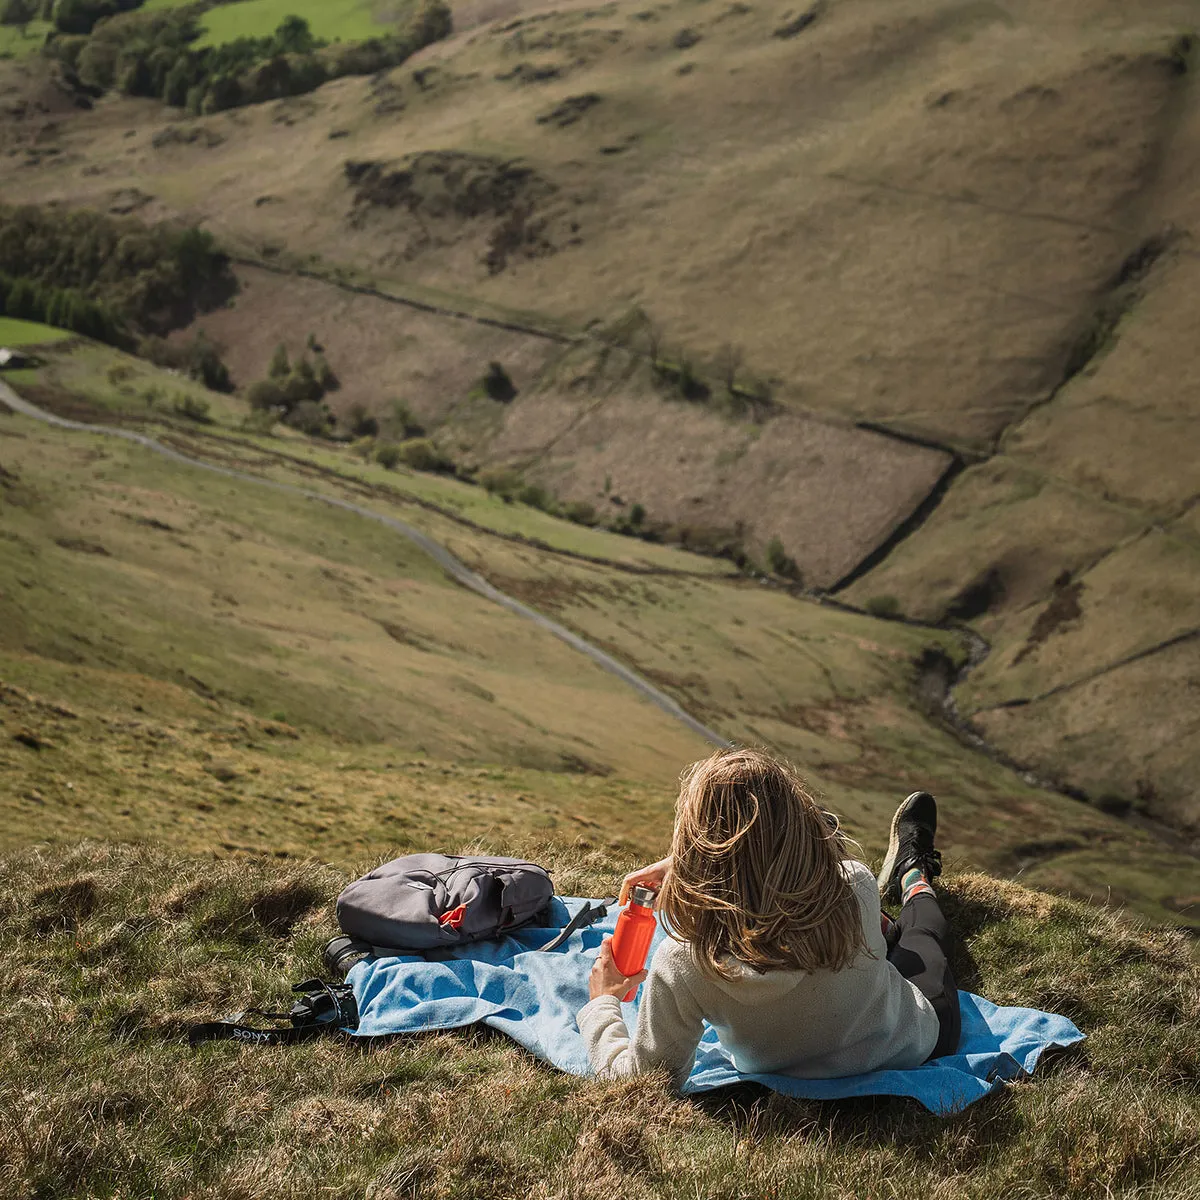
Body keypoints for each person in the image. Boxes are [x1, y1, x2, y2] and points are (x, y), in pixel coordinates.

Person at [577, 748, 960, 1087]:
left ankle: (894, 910)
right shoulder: (855, 885)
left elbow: (646, 1081)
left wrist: (601, 1003)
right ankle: (914, 877)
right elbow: (815, 841)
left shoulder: (683, 963)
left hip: (780, 1073)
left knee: (893, 937)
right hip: (903, 1045)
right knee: (923, 936)